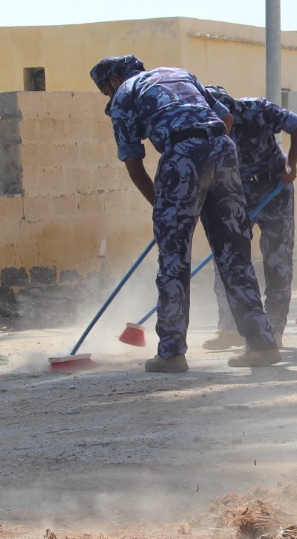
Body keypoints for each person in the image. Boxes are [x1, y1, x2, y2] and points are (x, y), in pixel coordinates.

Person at [90, 56, 280, 372]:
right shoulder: (178, 73)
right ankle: (262, 344)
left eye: (105, 92)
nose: (109, 97)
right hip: (222, 147)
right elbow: (227, 118)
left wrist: (166, 210)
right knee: (234, 255)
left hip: (181, 155)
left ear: (111, 81)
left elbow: (134, 166)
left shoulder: (124, 92)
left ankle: (171, 352)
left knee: (174, 259)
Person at [200, 86, 297, 350]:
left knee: (277, 260)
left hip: (275, 188)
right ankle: (229, 327)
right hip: (236, 192)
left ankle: (273, 328)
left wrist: (291, 163)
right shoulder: (204, 126)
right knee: (227, 259)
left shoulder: (258, 109)